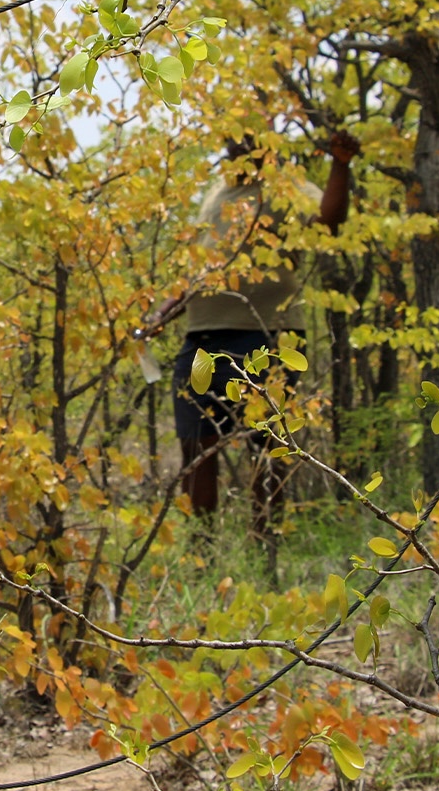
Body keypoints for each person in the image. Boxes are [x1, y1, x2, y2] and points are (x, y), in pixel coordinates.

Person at [142, 129, 359, 543]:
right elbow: (198, 268)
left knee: (268, 447)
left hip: (266, 336)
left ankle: (265, 547)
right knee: (196, 447)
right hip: (201, 340)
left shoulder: (285, 182)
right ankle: (202, 549)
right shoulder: (215, 191)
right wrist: (162, 313)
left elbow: (327, 223)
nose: (234, 143)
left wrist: (340, 165)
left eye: (247, 134)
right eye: (229, 134)